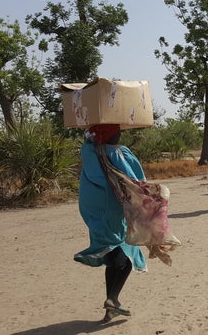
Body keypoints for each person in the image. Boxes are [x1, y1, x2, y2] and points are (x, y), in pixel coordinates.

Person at [74, 124, 146, 322]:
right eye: (118, 132)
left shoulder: (88, 151)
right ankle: (113, 299)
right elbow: (136, 179)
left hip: (93, 213)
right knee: (126, 260)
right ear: (110, 135)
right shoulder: (117, 153)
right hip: (112, 211)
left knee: (112, 256)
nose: (120, 135)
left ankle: (110, 308)